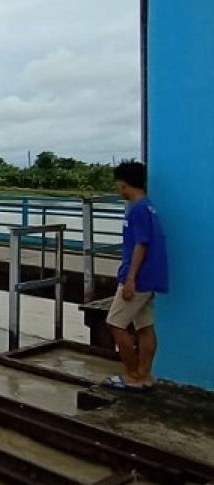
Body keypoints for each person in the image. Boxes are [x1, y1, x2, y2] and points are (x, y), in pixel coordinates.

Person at [104, 160, 168, 391]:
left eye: (117, 184)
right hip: (151, 277)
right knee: (145, 326)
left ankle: (131, 376)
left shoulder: (137, 210)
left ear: (123, 184)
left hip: (138, 279)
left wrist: (130, 279)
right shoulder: (149, 206)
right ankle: (144, 375)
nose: (117, 189)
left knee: (115, 324)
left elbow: (141, 245)